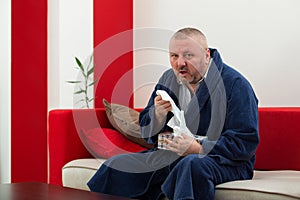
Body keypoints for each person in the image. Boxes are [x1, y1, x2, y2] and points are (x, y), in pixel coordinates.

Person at [88, 27, 259, 200]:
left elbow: (245, 142)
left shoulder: (235, 85)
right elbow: (146, 129)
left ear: (207, 55)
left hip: (225, 161)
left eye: (188, 55)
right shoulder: (169, 79)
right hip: (172, 155)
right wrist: (157, 116)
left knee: (191, 164)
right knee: (117, 166)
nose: (180, 63)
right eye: (174, 56)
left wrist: (198, 148)